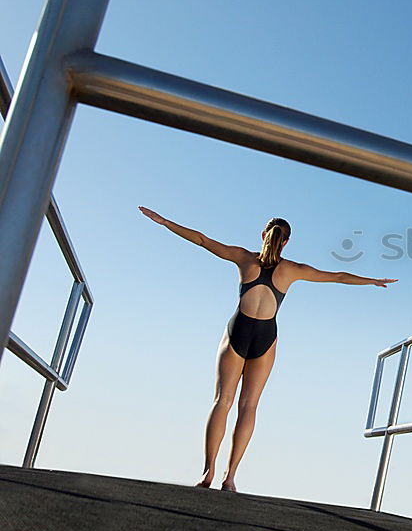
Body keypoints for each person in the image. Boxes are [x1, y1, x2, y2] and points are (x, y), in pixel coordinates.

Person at [138, 206, 397, 492]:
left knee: (222, 401)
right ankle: (230, 477)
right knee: (249, 406)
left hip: (239, 330)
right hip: (265, 337)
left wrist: (164, 222)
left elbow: (201, 239)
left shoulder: (244, 259)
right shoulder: (292, 270)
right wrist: (371, 280)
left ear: (264, 235)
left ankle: (207, 473)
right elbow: (336, 276)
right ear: (286, 242)